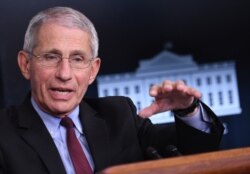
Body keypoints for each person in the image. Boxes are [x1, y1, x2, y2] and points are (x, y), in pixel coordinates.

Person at [0, 6, 224, 174]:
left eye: (78, 59)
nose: (65, 73)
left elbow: (196, 151)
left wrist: (188, 110)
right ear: (26, 64)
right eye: (51, 57)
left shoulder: (118, 114)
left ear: (93, 70)